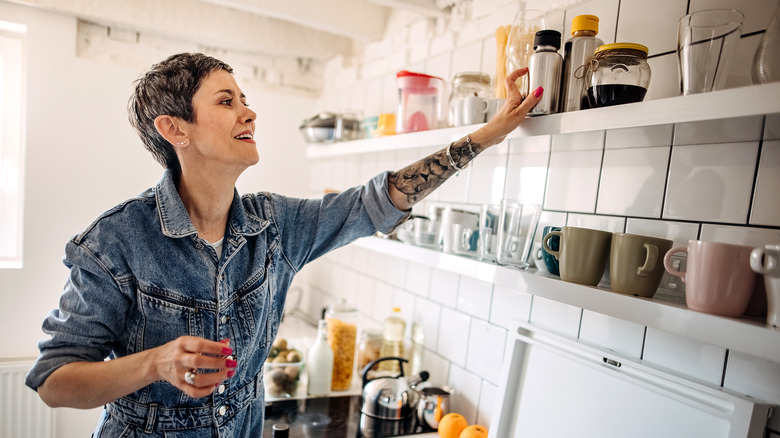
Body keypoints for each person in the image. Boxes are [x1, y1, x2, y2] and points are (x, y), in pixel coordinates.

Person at [25, 52, 543, 436]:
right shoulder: (115, 240)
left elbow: (373, 202)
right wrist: (155, 364)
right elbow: (53, 380)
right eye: (227, 102)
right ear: (173, 129)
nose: (249, 114)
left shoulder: (277, 225)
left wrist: (485, 136)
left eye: (245, 101)